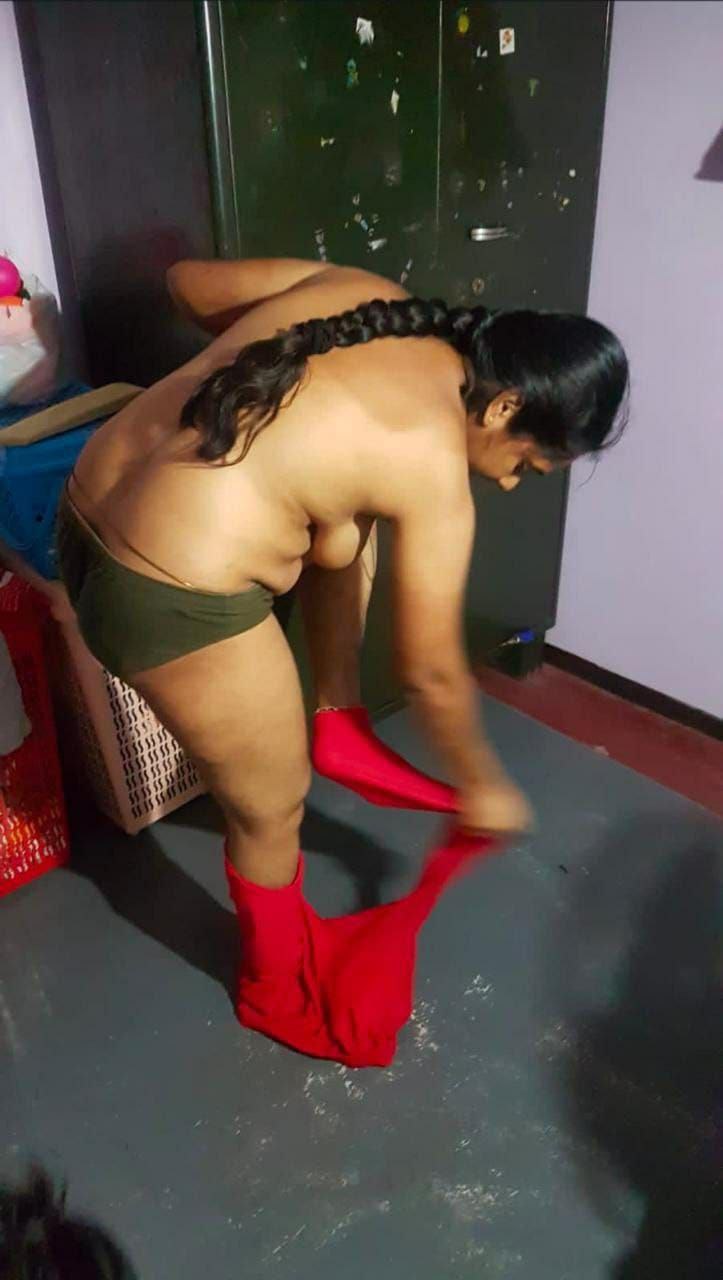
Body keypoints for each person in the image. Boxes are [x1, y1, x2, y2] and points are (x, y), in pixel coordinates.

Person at [56, 259, 628, 1062]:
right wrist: (481, 785)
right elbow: (431, 671)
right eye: (526, 464)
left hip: (81, 513)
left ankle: (337, 713)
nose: (509, 484)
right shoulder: (429, 459)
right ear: (503, 407)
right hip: (163, 593)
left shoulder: (365, 297)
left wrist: (266, 369)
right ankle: (272, 991)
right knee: (271, 808)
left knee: (341, 526)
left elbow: (184, 282)